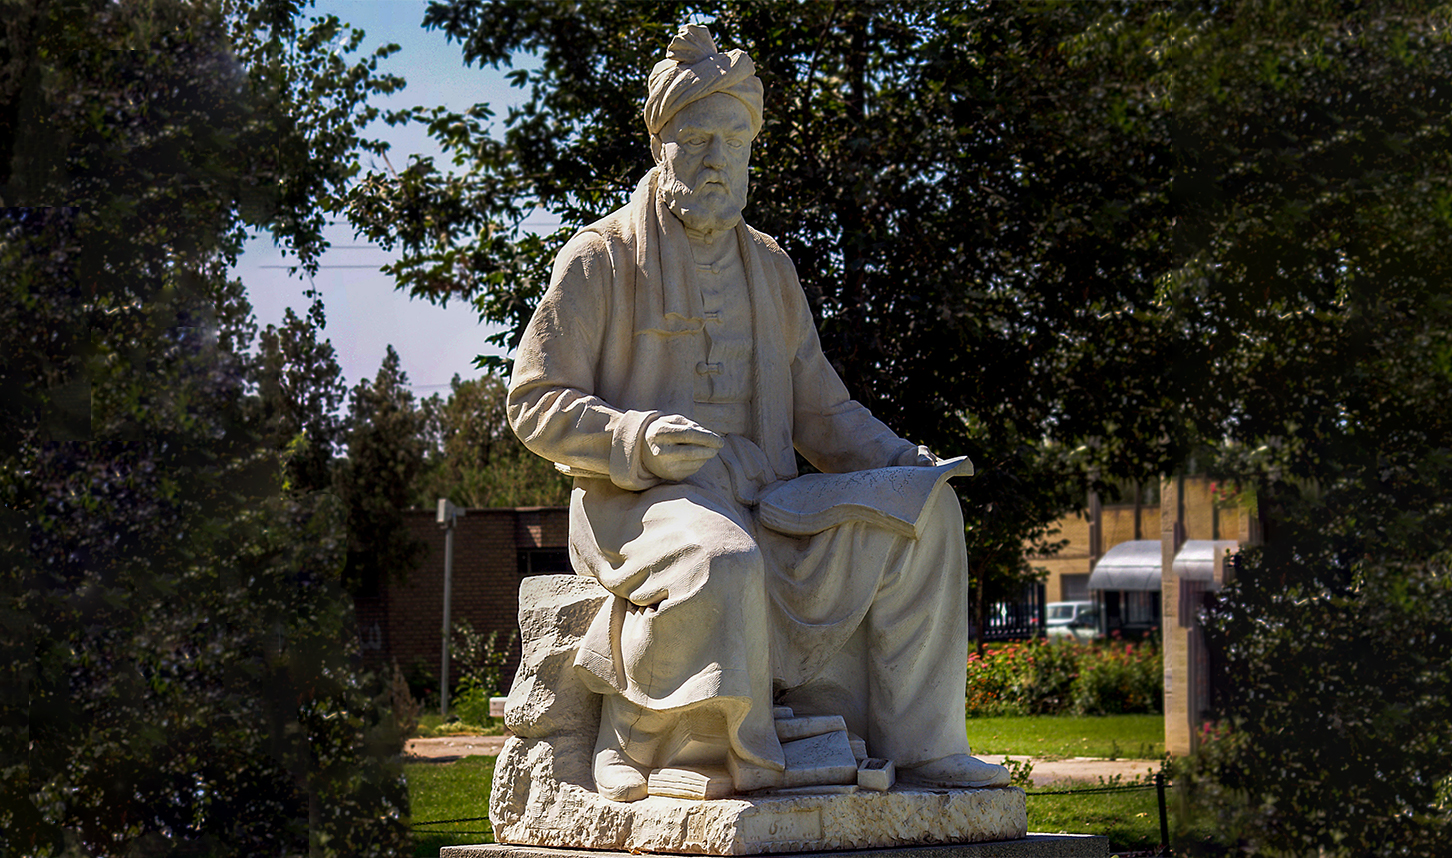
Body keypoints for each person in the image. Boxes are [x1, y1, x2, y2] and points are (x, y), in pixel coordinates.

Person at [507, 24, 1009, 802]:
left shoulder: (770, 267)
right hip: (640, 504)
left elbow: (823, 410)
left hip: (764, 496)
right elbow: (534, 401)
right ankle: (660, 739)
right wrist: (635, 438)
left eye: (735, 143)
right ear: (662, 146)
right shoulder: (599, 258)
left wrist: (900, 461)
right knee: (723, 559)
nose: (718, 160)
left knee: (927, 514)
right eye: (699, 140)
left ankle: (923, 748)